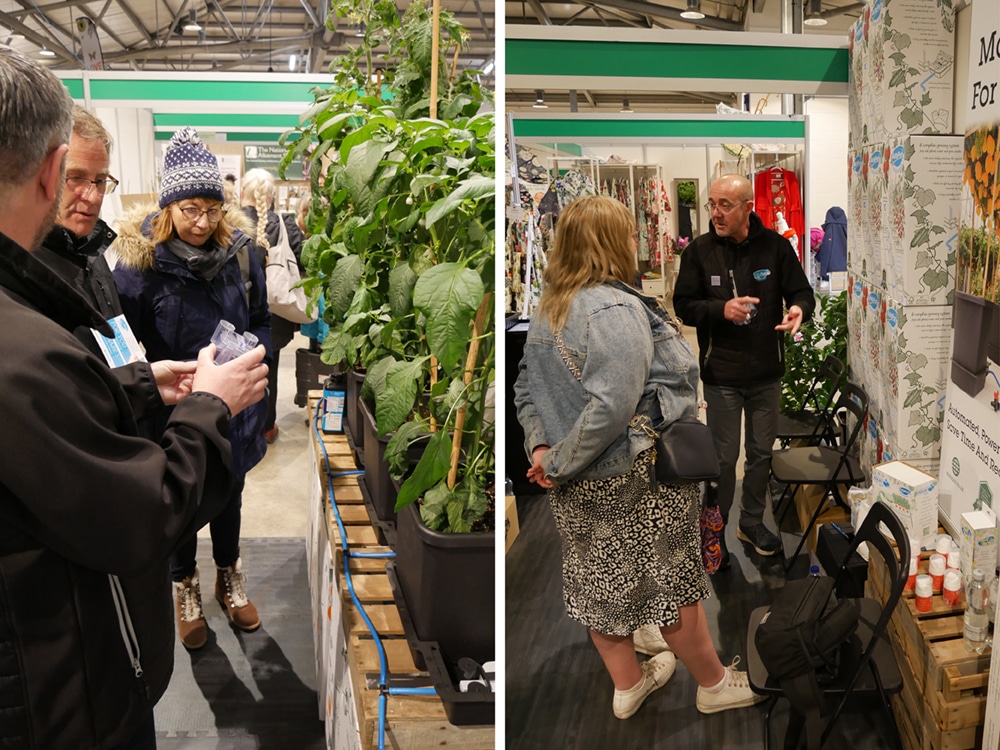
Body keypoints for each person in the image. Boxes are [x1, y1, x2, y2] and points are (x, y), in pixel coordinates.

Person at [0, 47, 268, 749]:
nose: (86, 196)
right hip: (63, 692)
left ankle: (225, 579)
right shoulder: (36, 329)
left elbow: (70, 394)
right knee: (184, 532)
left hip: (53, 663)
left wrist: (147, 381)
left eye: (101, 180)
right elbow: (139, 517)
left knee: (227, 510)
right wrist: (205, 405)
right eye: (76, 178)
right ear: (51, 173)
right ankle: (191, 587)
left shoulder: (80, 274)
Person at [514, 194, 766, 720]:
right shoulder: (612, 309)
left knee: (598, 581)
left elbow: (526, 388)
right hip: (634, 475)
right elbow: (612, 408)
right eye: (629, 235)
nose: (636, 242)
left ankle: (628, 685)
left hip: (578, 484)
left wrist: (543, 450)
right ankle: (714, 685)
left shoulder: (551, 306)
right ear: (609, 243)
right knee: (670, 585)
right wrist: (557, 461)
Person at [113, 127, 273, 651]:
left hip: (236, 414)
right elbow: (125, 348)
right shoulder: (137, 268)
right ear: (167, 208)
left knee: (229, 497)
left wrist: (255, 358)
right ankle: (185, 584)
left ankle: (229, 574)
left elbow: (262, 320)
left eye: (211, 209)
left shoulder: (244, 255)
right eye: (189, 210)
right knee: (179, 503)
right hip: (173, 417)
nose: (202, 223)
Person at [673, 174, 815, 568]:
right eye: (712, 204)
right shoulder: (699, 252)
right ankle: (714, 530)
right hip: (721, 376)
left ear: (747, 207)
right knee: (722, 459)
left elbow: (802, 291)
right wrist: (721, 310)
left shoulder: (775, 247)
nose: (716, 213)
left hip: (767, 373)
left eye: (725, 205)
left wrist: (799, 310)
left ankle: (751, 522)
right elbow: (683, 305)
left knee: (759, 454)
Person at [239, 167, 306, 441]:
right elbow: (305, 260)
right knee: (270, 370)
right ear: (270, 197)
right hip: (275, 315)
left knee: (237, 369)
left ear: (243, 193)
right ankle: (267, 427)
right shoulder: (285, 223)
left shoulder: (230, 223)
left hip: (238, 313)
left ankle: (243, 428)